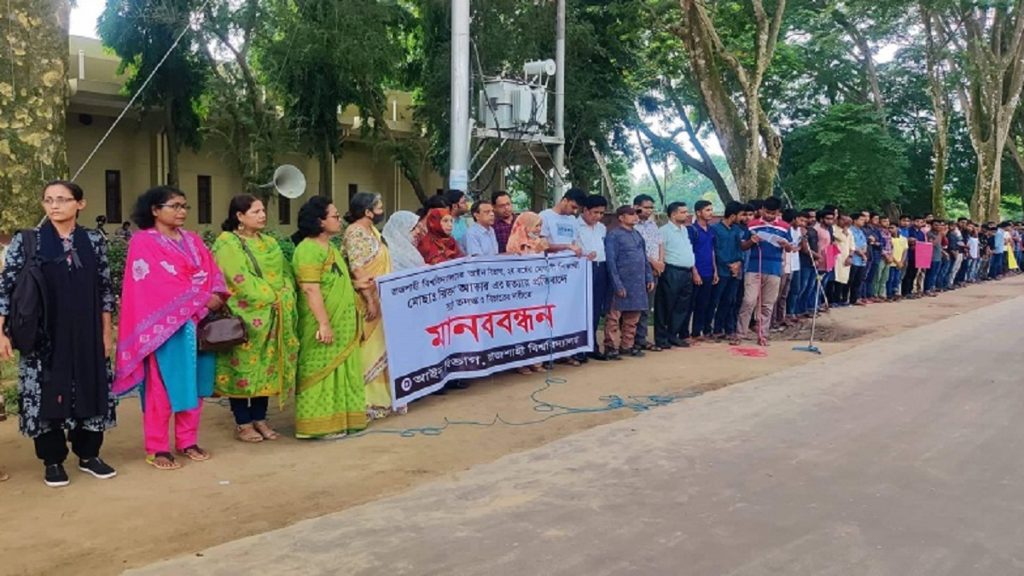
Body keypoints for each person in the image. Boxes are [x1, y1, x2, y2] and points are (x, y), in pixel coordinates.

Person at [0, 180, 117, 487]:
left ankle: (89, 455)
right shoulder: (29, 241)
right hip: (43, 334)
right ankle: (52, 460)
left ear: (80, 204)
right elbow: (6, 287)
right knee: (44, 390)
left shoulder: (93, 240)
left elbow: (104, 288)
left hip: (87, 331)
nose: (54, 205)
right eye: (48, 200)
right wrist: (2, 332)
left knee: (90, 386)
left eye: (62, 199)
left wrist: (106, 331)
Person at [114, 186, 227, 470]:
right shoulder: (143, 241)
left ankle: (188, 440)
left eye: (184, 206)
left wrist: (214, 294)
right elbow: (155, 283)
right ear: (155, 210)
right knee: (161, 387)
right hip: (165, 326)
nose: (181, 211)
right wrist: (201, 297)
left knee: (196, 383)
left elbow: (212, 271)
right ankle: (158, 447)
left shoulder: (193, 239)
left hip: (199, 322)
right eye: (174, 206)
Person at [212, 194, 299, 443]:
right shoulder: (228, 243)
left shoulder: (269, 242)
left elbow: (285, 273)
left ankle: (260, 418)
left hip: (274, 314)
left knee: (267, 366)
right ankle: (243, 422)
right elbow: (237, 278)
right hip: (245, 315)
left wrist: (284, 295)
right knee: (242, 367)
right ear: (239, 216)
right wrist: (270, 297)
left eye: (263, 211)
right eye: (256, 211)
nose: (262, 215)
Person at [292, 196, 368, 439]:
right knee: (320, 370)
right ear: (320, 221)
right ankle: (318, 426)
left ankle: (343, 420)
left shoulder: (331, 247)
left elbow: (335, 280)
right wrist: (323, 323)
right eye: (334, 216)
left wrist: (358, 285)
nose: (339, 220)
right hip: (321, 321)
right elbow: (310, 288)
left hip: (343, 322)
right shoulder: (308, 249)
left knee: (345, 369)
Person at [343, 192, 401, 420]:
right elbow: (358, 269)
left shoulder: (373, 232)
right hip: (366, 300)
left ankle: (382, 398)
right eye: (378, 207)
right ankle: (366, 400)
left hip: (382, 297)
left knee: (383, 345)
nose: (381, 210)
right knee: (367, 347)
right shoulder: (355, 232)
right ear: (367, 212)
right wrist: (370, 300)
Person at [736, 197, 792, 344]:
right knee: (749, 301)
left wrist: (785, 245)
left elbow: (790, 248)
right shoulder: (752, 225)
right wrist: (752, 241)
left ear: (778, 212)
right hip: (754, 267)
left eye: (773, 213)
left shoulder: (785, 227)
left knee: (767, 304)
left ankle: (763, 335)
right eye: (767, 212)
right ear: (762, 210)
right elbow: (743, 246)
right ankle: (740, 334)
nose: (769, 215)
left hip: (774, 268)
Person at [604, 206, 655, 359]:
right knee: (614, 317)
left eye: (636, 214)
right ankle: (610, 347)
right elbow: (611, 262)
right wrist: (617, 284)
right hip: (621, 281)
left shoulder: (637, 235)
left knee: (633, 318)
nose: (635, 217)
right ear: (621, 217)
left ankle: (627, 345)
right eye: (631, 214)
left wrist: (649, 277)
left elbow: (644, 258)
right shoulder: (613, 236)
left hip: (638, 283)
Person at [506, 212, 551, 373]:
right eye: (536, 226)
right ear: (526, 226)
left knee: (537, 325)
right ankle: (520, 363)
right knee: (521, 326)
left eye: (540, 226)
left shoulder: (540, 241)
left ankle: (536, 361)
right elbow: (514, 266)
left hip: (537, 291)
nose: (538, 229)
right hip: (521, 292)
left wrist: (540, 249)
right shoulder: (514, 242)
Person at [655, 202, 695, 349]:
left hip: (686, 272)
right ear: (673, 214)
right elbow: (660, 250)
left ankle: (673, 335)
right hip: (672, 271)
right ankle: (661, 338)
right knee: (665, 305)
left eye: (687, 211)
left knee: (681, 306)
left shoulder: (684, 230)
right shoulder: (664, 231)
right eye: (683, 212)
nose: (687, 215)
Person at [632, 194, 665, 352]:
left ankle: (641, 338)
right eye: (646, 207)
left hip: (655, 270)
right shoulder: (633, 226)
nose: (649, 210)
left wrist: (661, 262)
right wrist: (654, 262)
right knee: (636, 307)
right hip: (640, 270)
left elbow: (660, 244)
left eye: (651, 207)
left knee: (647, 307)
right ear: (636, 207)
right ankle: (631, 340)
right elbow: (638, 250)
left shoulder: (652, 224)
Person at [577, 195, 608, 360]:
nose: (598, 216)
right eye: (595, 212)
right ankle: (579, 347)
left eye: (601, 213)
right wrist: (583, 255)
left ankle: (592, 345)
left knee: (596, 308)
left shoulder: (602, 228)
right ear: (585, 210)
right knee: (582, 308)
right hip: (582, 268)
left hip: (600, 267)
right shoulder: (575, 226)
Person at [711, 201, 746, 344]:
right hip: (721, 271)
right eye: (741, 215)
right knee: (716, 300)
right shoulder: (715, 229)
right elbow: (715, 250)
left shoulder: (737, 230)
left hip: (735, 271)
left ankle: (729, 329)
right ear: (732, 216)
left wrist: (738, 263)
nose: (743, 218)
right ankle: (715, 329)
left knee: (730, 300)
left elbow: (741, 248)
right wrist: (728, 264)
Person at [688, 200, 718, 339]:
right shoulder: (692, 230)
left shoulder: (711, 230)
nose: (711, 213)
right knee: (691, 304)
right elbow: (690, 252)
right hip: (696, 271)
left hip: (708, 271)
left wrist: (715, 270)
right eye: (707, 210)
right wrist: (694, 272)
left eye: (711, 210)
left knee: (704, 303)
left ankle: (698, 331)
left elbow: (712, 251)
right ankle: (685, 332)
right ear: (698, 213)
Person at [539, 188, 586, 256]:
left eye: (578, 209)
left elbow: (574, 244)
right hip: (551, 260)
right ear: (565, 201)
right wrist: (566, 246)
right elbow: (542, 246)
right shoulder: (545, 216)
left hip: (571, 260)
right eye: (573, 207)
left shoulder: (573, 219)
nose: (575, 212)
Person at [847, 212, 869, 306]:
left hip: (861, 260)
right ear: (855, 221)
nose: (863, 221)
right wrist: (861, 253)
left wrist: (864, 252)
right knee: (850, 280)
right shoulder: (850, 230)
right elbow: (852, 245)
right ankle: (846, 298)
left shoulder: (861, 231)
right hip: (854, 259)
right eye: (861, 219)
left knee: (858, 280)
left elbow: (864, 243)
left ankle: (855, 298)